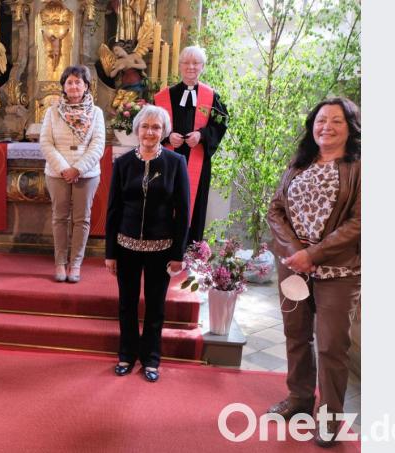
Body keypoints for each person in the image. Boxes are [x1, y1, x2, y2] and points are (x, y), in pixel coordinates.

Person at [266, 97, 361, 447]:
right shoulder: (300, 162)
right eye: (321, 120)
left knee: (333, 345)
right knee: (295, 334)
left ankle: (331, 417)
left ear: (350, 127)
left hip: (339, 269)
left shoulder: (360, 167)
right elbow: (275, 210)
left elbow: (360, 222)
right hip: (294, 265)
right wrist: (295, 252)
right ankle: (300, 399)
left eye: (336, 121)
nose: (327, 127)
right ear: (312, 126)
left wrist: (314, 254)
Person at [105, 105, 189, 382]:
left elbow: (183, 212)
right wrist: (110, 253)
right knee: (127, 304)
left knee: (156, 306)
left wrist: (178, 253)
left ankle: (151, 358)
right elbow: (113, 209)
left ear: (163, 131)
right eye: (145, 126)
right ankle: (126, 355)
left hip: (161, 248)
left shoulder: (176, 163)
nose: (150, 132)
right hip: (126, 246)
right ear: (137, 129)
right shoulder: (123, 163)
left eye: (156, 127)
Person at [153, 45, 228, 245]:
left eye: (196, 63)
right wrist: (168, 138)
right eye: (186, 62)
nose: (191, 67)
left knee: (195, 203)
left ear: (202, 66)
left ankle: (191, 250)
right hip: (168, 160)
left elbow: (220, 125)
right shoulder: (163, 97)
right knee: (166, 201)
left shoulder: (211, 96)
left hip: (197, 160)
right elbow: (151, 126)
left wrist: (202, 135)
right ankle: (163, 245)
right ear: (180, 66)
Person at [40, 65, 106, 283]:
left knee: (81, 219)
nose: (74, 86)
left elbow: (98, 145)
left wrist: (78, 169)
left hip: (86, 175)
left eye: (79, 82)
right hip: (57, 173)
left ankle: (75, 263)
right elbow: (46, 142)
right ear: (64, 86)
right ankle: (60, 262)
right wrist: (64, 169)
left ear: (86, 86)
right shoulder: (52, 111)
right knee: (59, 218)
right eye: (70, 82)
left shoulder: (96, 113)